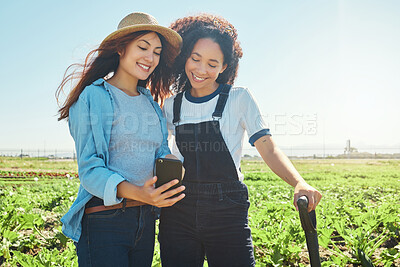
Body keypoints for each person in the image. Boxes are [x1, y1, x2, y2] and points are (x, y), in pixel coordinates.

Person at [159, 14, 323, 267]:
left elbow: (267, 147)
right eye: (196, 59)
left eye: (213, 64)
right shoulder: (171, 106)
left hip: (227, 210)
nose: (202, 70)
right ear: (185, 58)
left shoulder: (238, 98)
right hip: (178, 208)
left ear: (224, 67)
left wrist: (299, 182)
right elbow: (156, 149)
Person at [55, 12, 185, 267]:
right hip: (104, 221)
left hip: (144, 220)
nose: (150, 58)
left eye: (157, 52)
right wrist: (139, 192)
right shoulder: (93, 97)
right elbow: (90, 169)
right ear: (121, 48)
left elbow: (160, 151)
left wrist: (174, 164)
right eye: (143, 47)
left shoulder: (151, 105)